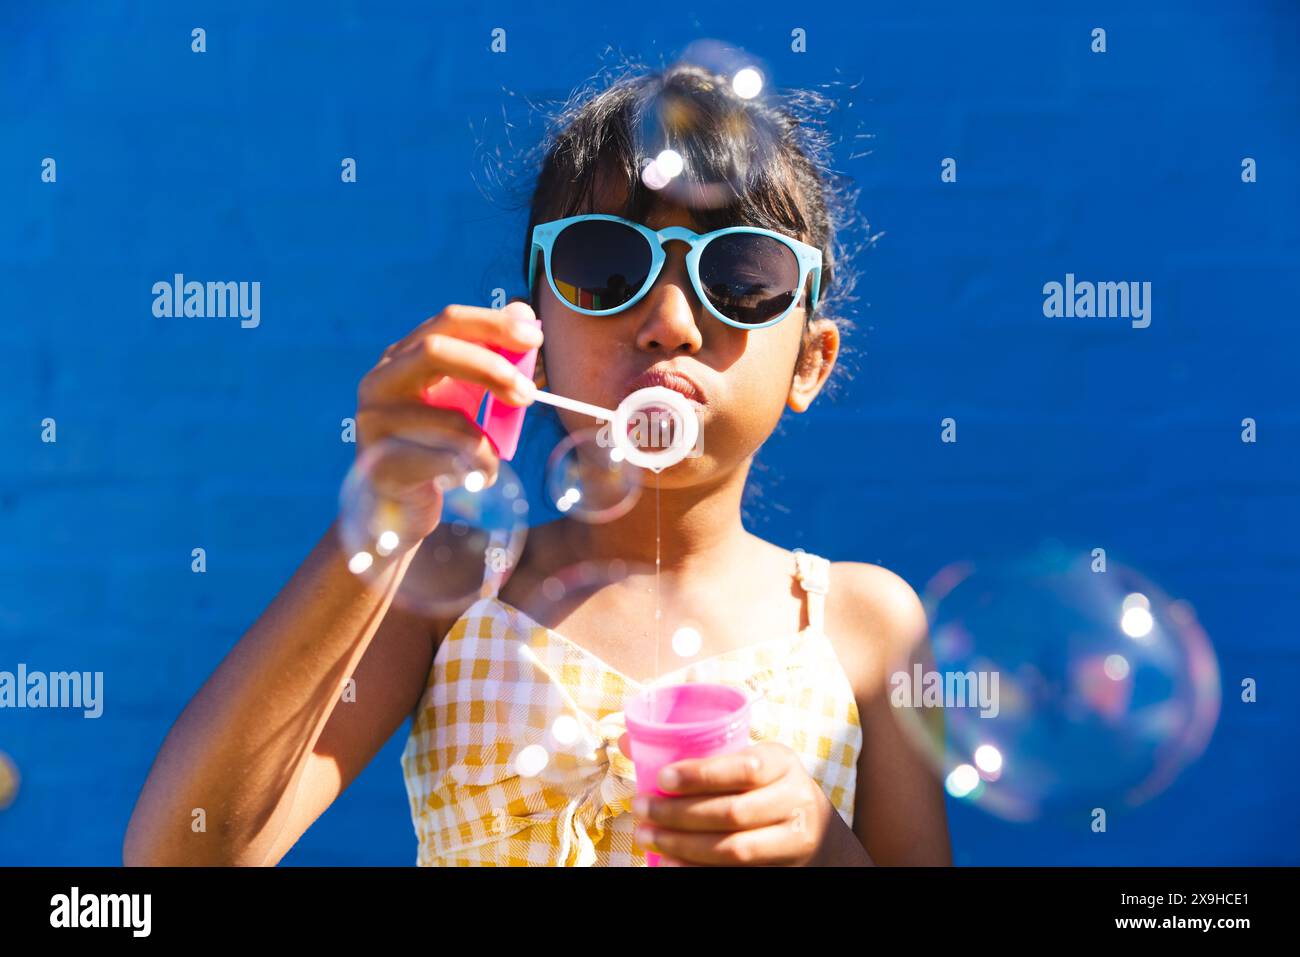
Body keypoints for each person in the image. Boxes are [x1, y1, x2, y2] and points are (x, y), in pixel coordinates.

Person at [124, 62, 952, 867]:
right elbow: (181, 855)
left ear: (811, 361)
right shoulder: (452, 590)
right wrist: (385, 511)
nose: (670, 322)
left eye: (740, 276)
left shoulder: (862, 624)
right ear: (538, 345)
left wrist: (824, 850)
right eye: (605, 268)